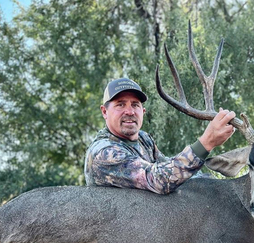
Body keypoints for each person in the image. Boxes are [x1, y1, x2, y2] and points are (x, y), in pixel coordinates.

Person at [84, 78, 235, 194]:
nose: (129, 111)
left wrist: (218, 184)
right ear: (104, 112)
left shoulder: (144, 139)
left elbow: (172, 169)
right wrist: (206, 143)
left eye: (135, 104)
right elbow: (159, 179)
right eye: (120, 104)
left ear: (143, 112)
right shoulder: (103, 153)